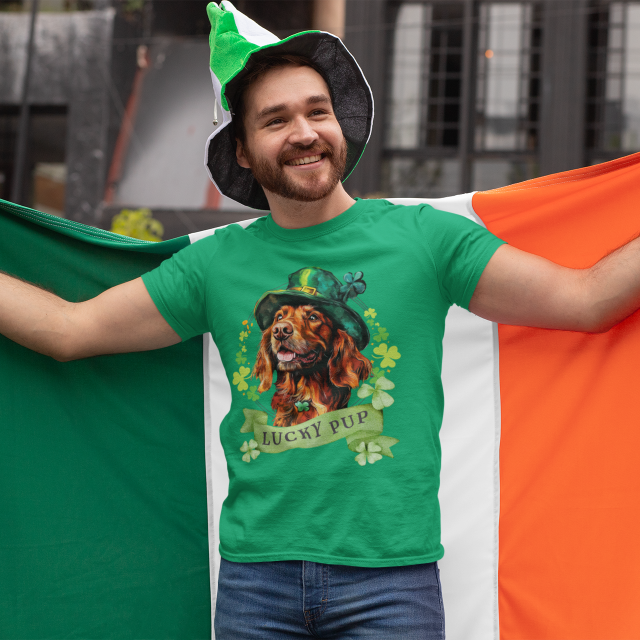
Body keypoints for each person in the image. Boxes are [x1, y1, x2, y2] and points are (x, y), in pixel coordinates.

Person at [2, 3, 640, 639]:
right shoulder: (215, 265)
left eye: (317, 111)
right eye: (275, 120)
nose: (304, 132)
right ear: (245, 153)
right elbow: (69, 330)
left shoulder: (426, 240)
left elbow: (586, 300)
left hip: (392, 583)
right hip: (257, 587)